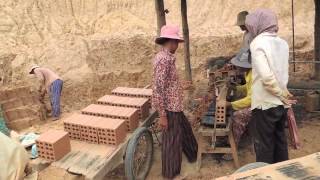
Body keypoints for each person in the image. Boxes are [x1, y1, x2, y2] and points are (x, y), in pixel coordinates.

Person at [245, 9, 295, 164]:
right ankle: (282, 172)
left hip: (264, 104)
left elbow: (267, 78)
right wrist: (283, 96)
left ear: (258, 25)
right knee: (280, 142)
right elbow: (281, 75)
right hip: (280, 103)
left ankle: (266, 174)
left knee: (264, 146)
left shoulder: (257, 43)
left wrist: (281, 94)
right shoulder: (283, 43)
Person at [152, 25, 198, 179]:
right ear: (170, 42)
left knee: (185, 131)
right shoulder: (163, 60)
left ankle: (193, 155)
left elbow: (168, 84)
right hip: (169, 109)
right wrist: (163, 115)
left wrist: (180, 86)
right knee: (171, 142)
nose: (177, 45)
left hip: (175, 106)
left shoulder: (167, 58)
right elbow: (158, 89)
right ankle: (170, 174)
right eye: (176, 42)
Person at [226, 48, 252, 146]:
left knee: (238, 115)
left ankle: (233, 145)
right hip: (257, 101)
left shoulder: (254, 74)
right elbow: (247, 87)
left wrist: (230, 104)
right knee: (237, 103)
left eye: (240, 66)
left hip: (262, 105)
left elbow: (250, 99)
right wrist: (236, 89)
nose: (238, 68)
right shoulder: (248, 73)